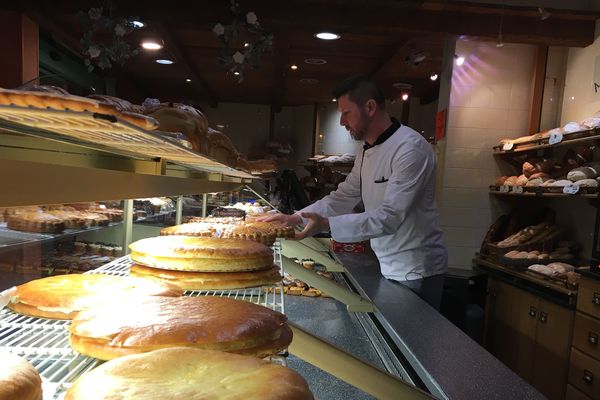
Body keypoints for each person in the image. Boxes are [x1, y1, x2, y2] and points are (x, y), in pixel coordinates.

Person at [265, 74, 447, 309]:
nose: (342, 121)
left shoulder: (410, 149)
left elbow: (390, 217)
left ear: (370, 107)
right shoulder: (366, 150)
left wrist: (326, 224)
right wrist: (296, 218)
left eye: (346, 113)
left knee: (413, 341)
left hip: (417, 268)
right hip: (388, 261)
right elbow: (344, 196)